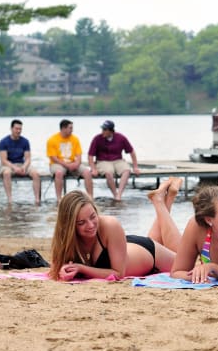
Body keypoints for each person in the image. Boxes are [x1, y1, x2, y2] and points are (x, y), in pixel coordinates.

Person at [50, 177, 183, 281]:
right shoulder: (65, 239)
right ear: (69, 226)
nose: (90, 225)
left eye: (93, 216)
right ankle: (165, 197)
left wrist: (81, 268)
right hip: (124, 249)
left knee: (183, 264)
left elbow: (118, 274)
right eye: (81, 223)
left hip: (149, 254)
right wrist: (63, 269)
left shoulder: (109, 224)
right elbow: (55, 269)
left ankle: (161, 200)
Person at [87, 120, 140, 201]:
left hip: (118, 160)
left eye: (105, 130)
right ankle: (115, 194)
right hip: (103, 161)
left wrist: (135, 167)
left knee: (127, 170)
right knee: (108, 172)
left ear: (111, 131)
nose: (102, 131)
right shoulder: (97, 138)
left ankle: (119, 195)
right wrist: (93, 169)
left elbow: (132, 152)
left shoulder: (121, 138)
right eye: (102, 129)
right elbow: (90, 155)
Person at [46, 119, 93, 204]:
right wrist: (67, 165)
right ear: (63, 128)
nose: (72, 130)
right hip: (57, 163)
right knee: (59, 173)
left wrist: (77, 164)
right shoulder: (52, 139)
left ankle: (90, 197)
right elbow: (53, 158)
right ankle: (59, 199)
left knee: (87, 172)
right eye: (70, 128)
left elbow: (79, 155)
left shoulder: (75, 139)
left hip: (72, 162)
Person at [0, 119, 41, 205]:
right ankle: (10, 199)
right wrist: (15, 168)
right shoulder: (3, 142)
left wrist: (24, 167)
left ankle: (37, 199)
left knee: (36, 173)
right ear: (11, 129)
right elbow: (3, 160)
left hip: (21, 164)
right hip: (8, 165)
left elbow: (28, 158)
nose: (18, 131)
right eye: (16, 129)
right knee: (6, 173)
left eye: (20, 129)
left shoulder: (25, 141)